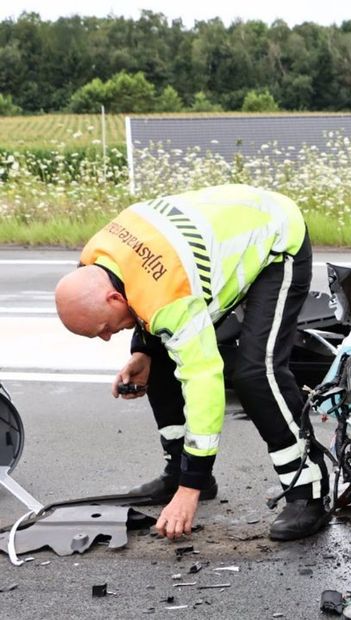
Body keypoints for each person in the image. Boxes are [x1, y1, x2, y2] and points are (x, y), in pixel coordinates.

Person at [54, 184, 330, 542]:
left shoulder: (171, 297)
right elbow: (142, 296)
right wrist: (143, 351)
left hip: (275, 238)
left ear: (112, 297)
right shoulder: (98, 257)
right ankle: (176, 466)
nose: (108, 337)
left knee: (256, 374)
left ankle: (307, 493)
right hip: (211, 237)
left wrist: (191, 490)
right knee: (161, 357)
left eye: (105, 328)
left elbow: (205, 382)